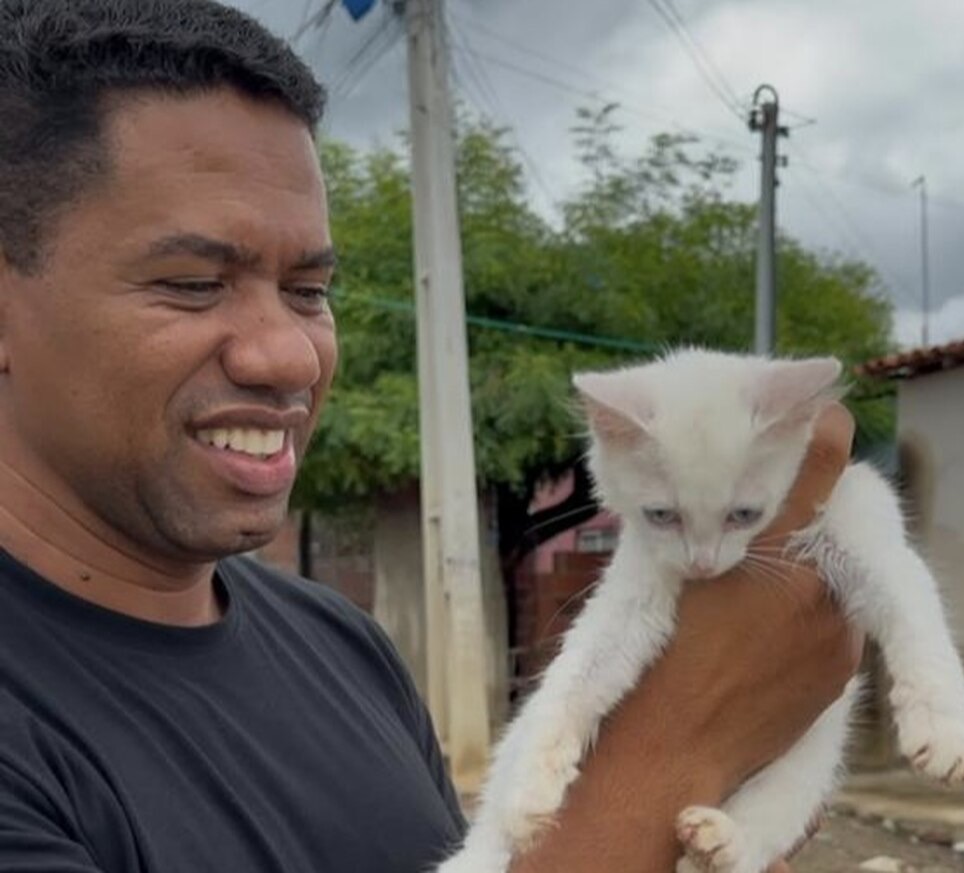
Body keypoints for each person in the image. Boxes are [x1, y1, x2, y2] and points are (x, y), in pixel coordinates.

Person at [0, 1, 860, 871]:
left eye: (307, 290)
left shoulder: (343, 647)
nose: (289, 355)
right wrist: (674, 749)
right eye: (190, 282)